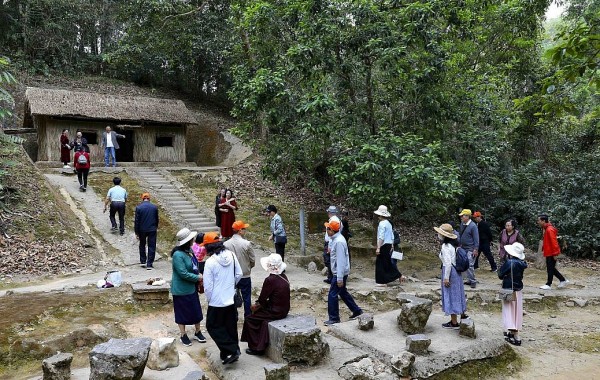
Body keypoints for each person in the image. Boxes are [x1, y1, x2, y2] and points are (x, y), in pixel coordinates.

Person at [203, 232, 242, 365]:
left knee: (212, 326)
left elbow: (208, 286)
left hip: (216, 301)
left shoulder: (210, 262)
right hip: (230, 298)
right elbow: (239, 274)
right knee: (230, 326)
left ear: (208, 247)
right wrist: (231, 285)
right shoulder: (231, 255)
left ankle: (232, 349)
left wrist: (209, 299)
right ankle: (226, 353)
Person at [241, 253, 290, 355]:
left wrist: (257, 306)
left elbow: (262, 299)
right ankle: (260, 344)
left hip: (275, 311)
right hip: (284, 309)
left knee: (250, 319)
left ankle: (255, 347)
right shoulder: (283, 277)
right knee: (262, 321)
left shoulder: (270, 280)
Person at [170, 228, 206, 346]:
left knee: (196, 310)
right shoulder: (178, 255)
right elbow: (182, 273)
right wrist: (198, 278)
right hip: (181, 289)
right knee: (182, 312)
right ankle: (183, 334)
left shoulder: (189, 251)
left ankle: (197, 331)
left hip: (191, 287)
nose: (194, 240)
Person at [324, 220, 363, 325]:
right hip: (338, 272)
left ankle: (334, 318)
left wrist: (339, 278)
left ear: (332, 230)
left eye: (328, 228)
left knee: (332, 294)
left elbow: (341, 261)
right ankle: (357, 310)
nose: (326, 230)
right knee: (342, 292)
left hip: (339, 273)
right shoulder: (336, 239)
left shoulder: (339, 242)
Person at [434, 223, 467, 329]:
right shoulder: (454, 244)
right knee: (457, 294)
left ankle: (454, 322)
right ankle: (461, 316)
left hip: (450, 272)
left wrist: (446, 278)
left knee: (451, 295)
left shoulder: (445, 246)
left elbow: (447, 263)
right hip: (456, 272)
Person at [224, 220, 256, 317]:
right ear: (240, 231)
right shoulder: (247, 244)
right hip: (245, 274)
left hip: (232, 275)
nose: (245, 231)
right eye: (244, 229)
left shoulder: (226, 244)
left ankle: (233, 316)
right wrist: (248, 266)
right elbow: (252, 260)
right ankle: (248, 316)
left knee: (232, 296)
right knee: (247, 297)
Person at [498, 242, 528, 346]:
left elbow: (500, 274)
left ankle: (515, 334)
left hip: (508, 288)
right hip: (518, 289)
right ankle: (514, 333)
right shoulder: (522, 264)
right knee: (517, 312)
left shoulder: (509, 262)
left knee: (509, 311)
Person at [537, 214, 569, 290]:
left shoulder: (549, 229)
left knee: (550, 269)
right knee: (551, 268)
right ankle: (562, 280)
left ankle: (549, 284)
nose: (537, 222)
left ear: (543, 221)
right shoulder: (546, 228)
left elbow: (554, 243)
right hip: (549, 252)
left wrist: (555, 254)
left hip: (551, 252)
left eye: (538, 220)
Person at [374, 205, 401, 286]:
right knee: (387, 262)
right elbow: (391, 235)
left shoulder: (382, 224)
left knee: (380, 263)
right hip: (389, 244)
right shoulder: (389, 223)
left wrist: (378, 247)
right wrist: (392, 244)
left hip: (384, 245)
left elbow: (381, 236)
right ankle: (397, 275)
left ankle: (382, 281)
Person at [134, 192, 159, 269]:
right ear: (149, 198)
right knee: (152, 246)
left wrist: (136, 232)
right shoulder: (154, 207)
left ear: (142, 198)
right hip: (152, 229)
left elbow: (137, 221)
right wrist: (156, 227)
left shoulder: (139, 207)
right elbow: (157, 219)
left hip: (142, 230)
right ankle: (149, 264)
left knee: (142, 245)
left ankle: (143, 261)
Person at [458, 209, 479, 288]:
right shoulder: (462, 224)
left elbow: (476, 238)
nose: (461, 217)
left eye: (463, 216)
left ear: (467, 216)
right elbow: (460, 234)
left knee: (470, 265)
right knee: (464, 263)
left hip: (471, 248)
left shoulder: (473, 226)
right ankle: (469, 279)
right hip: (463, 247)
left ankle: (473, 280)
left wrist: (476, 249)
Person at [323, 205, 341, 284]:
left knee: (329, 259)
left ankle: (331, 277)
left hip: (330, 242)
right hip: (332, 242)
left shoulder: (333, 221)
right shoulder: (337, 220)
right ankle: (331, 276)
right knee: (331, 259)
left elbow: (332, 235)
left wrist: (329, 246)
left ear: (329, 212)